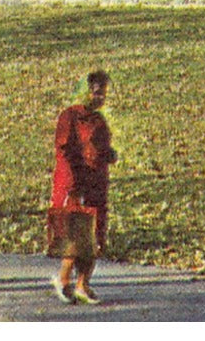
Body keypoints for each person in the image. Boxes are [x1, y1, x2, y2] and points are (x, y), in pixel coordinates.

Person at [49, 70, 117, 305]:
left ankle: (83, 284)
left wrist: (109, 154)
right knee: (76, 236)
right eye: (96, 92)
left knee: (95, 235)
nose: (100, 98)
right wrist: (73, 184)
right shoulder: (70, 117)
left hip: (97, 182)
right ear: (84, 91)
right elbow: (64, 150)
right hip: (75, 183)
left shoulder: (99, 120)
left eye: (103, 94)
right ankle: (64, 279)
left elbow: (100, 146)